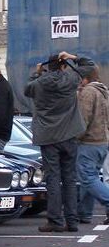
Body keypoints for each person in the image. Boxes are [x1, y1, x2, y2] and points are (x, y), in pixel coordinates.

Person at [24, 51, 87, 232]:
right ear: (63, 65)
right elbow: (88, 66)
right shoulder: (71, 79)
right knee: (70, 178)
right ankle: (72, 221)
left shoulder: (38, 83)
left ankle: (55, 221)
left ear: (47, 66)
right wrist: (73, 57)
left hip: (48, 137)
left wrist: (37, 72)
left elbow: (27, 89)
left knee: (53, 179)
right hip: (69, 135)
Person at [75, 61, 109, 224]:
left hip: (89, 142)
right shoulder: (103, 91)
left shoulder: (88, 92)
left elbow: (83, 119)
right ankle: (84, 213)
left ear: (85, 78)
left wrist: (76, 137)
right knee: (91, 177)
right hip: (102, 141)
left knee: (87, 177)